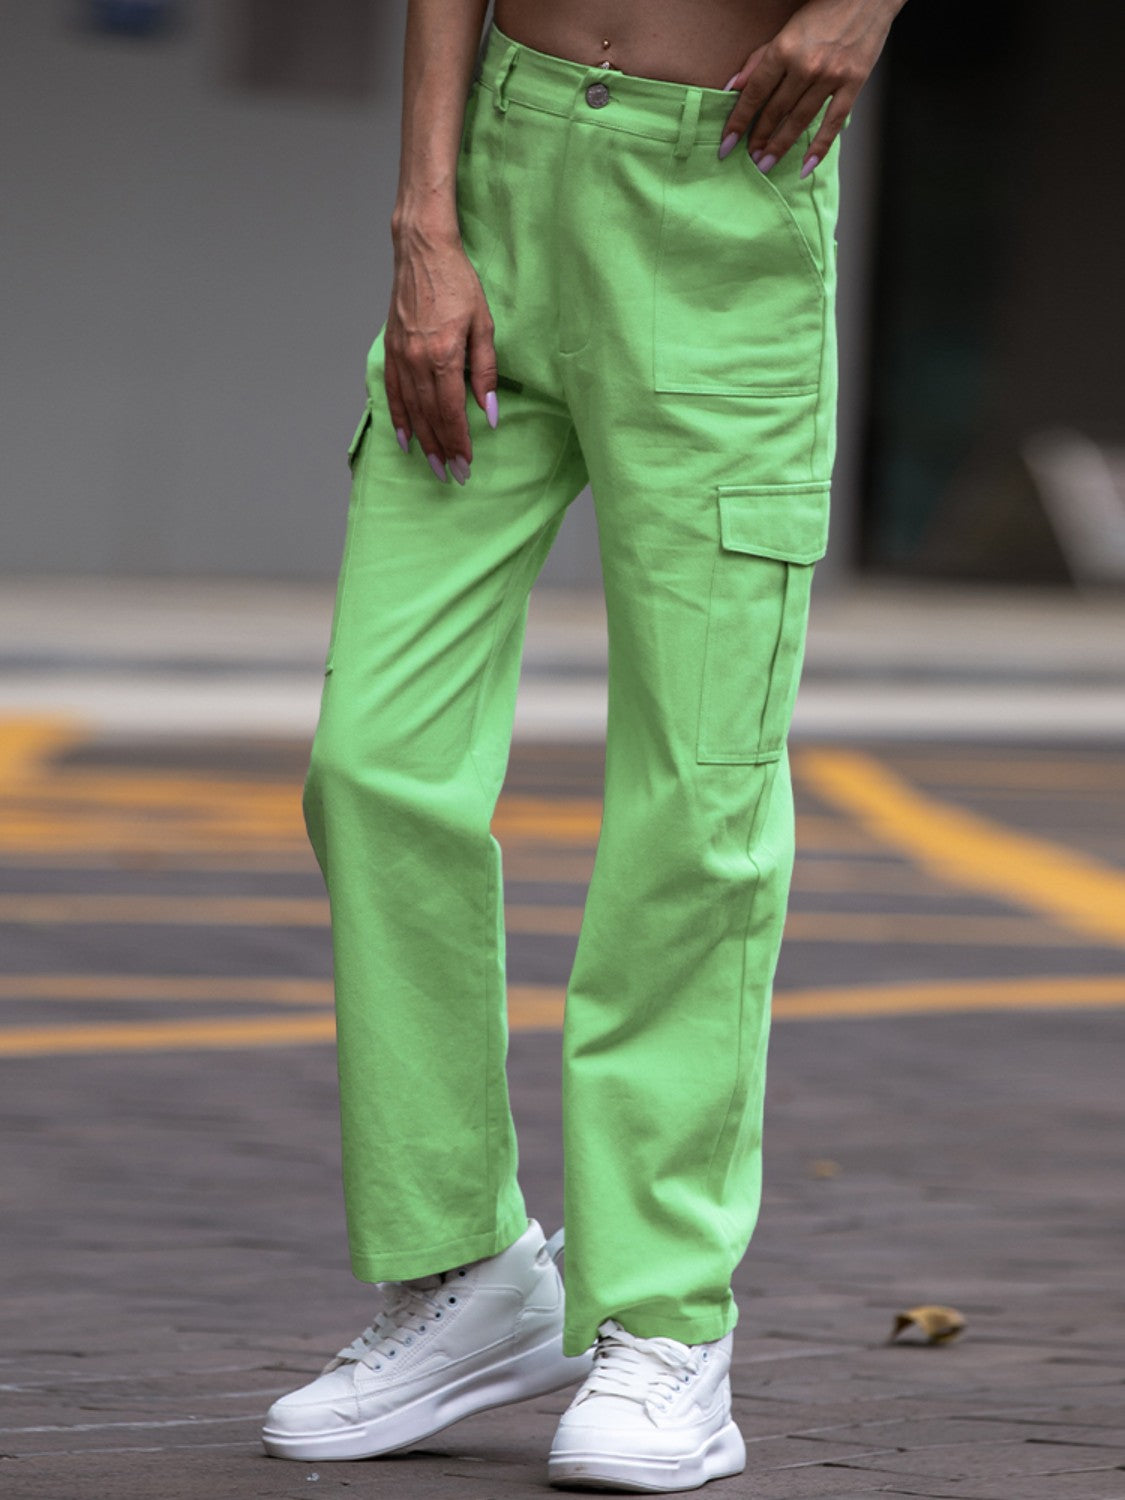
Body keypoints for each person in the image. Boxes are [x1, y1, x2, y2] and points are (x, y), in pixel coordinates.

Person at [261, 0, 904, 1490]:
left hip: (722, 191)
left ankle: (666, 1322)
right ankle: (464, 1268)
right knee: (373, 763)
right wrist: (425, 217)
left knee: (695, 798)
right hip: (499, 172)